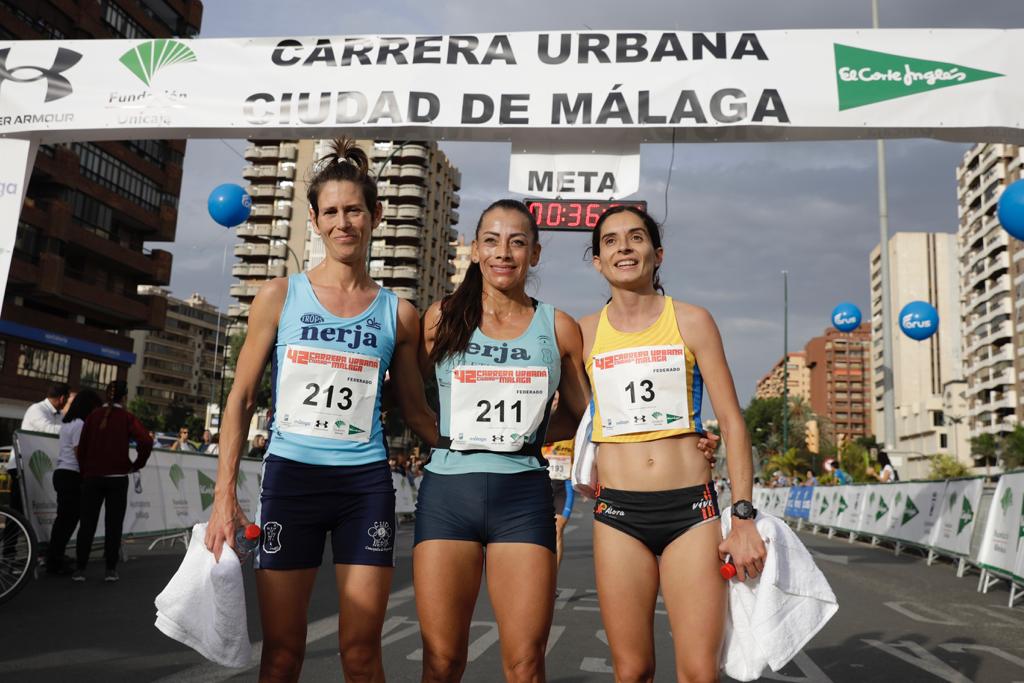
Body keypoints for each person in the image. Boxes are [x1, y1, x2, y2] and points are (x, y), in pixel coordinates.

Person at [205, 138, 436, 683]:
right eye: (330, 211)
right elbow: (239, 399)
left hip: (365, 488)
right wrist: (223, 497)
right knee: (283, 654)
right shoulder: (279, 295)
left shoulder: (398, 314)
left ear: (375, 216)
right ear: (313, 219)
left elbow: (418, 412)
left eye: (354, 210)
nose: (343, 222)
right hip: (291, 481)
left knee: (360, 654)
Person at [580, 205, 766, 682]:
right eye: (610, 241)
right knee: (632, 670)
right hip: (618, 513)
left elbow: (732, 422)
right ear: (597, 262)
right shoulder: (581, 334)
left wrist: (744, 516)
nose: (624, 246)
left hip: (691, 511)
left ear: (657, 254)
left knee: (699, 673)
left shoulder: (693, 320)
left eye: (636, 237)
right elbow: (573, 416)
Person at [414, 199, 591, 683]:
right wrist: (443, 435)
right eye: (491, 240)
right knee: (442, 662)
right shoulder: (442, 317)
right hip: (448, 494)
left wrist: (527, 437)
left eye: (517, 242)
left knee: (525, 665)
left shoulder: (558, 327)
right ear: (475, 250)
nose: (503, 252)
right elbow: (406, 395)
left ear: (534, 253)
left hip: (522, 498)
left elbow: (581, 414)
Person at [74, 381, 153, 582]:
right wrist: (136, 464)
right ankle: (110, 569)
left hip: (92, 477)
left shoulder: (93, 416)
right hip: (117, 477)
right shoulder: (127, 417)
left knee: (87, 523)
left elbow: (81, 448)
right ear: (124, 397)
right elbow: (145, 440)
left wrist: (86, 471)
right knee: (113, 523)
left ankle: (80, 568)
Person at [46, 389, 104, 574]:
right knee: (68, 520)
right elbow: (80, 453)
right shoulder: (80, 425)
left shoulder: (67, 423)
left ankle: (55, 556)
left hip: (63, 473)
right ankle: (55, 560)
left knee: (63, 519)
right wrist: (88, 473)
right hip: (73, 475)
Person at [8, 382, 70, 516]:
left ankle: (26, 535)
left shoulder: (60, 415)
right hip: (22, 464)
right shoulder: (37, 409)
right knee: (18, 504)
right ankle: (9, 535)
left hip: (38, 467)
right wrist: (73, 430)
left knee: (32, 506)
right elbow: (48, 430)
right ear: (62, 398)